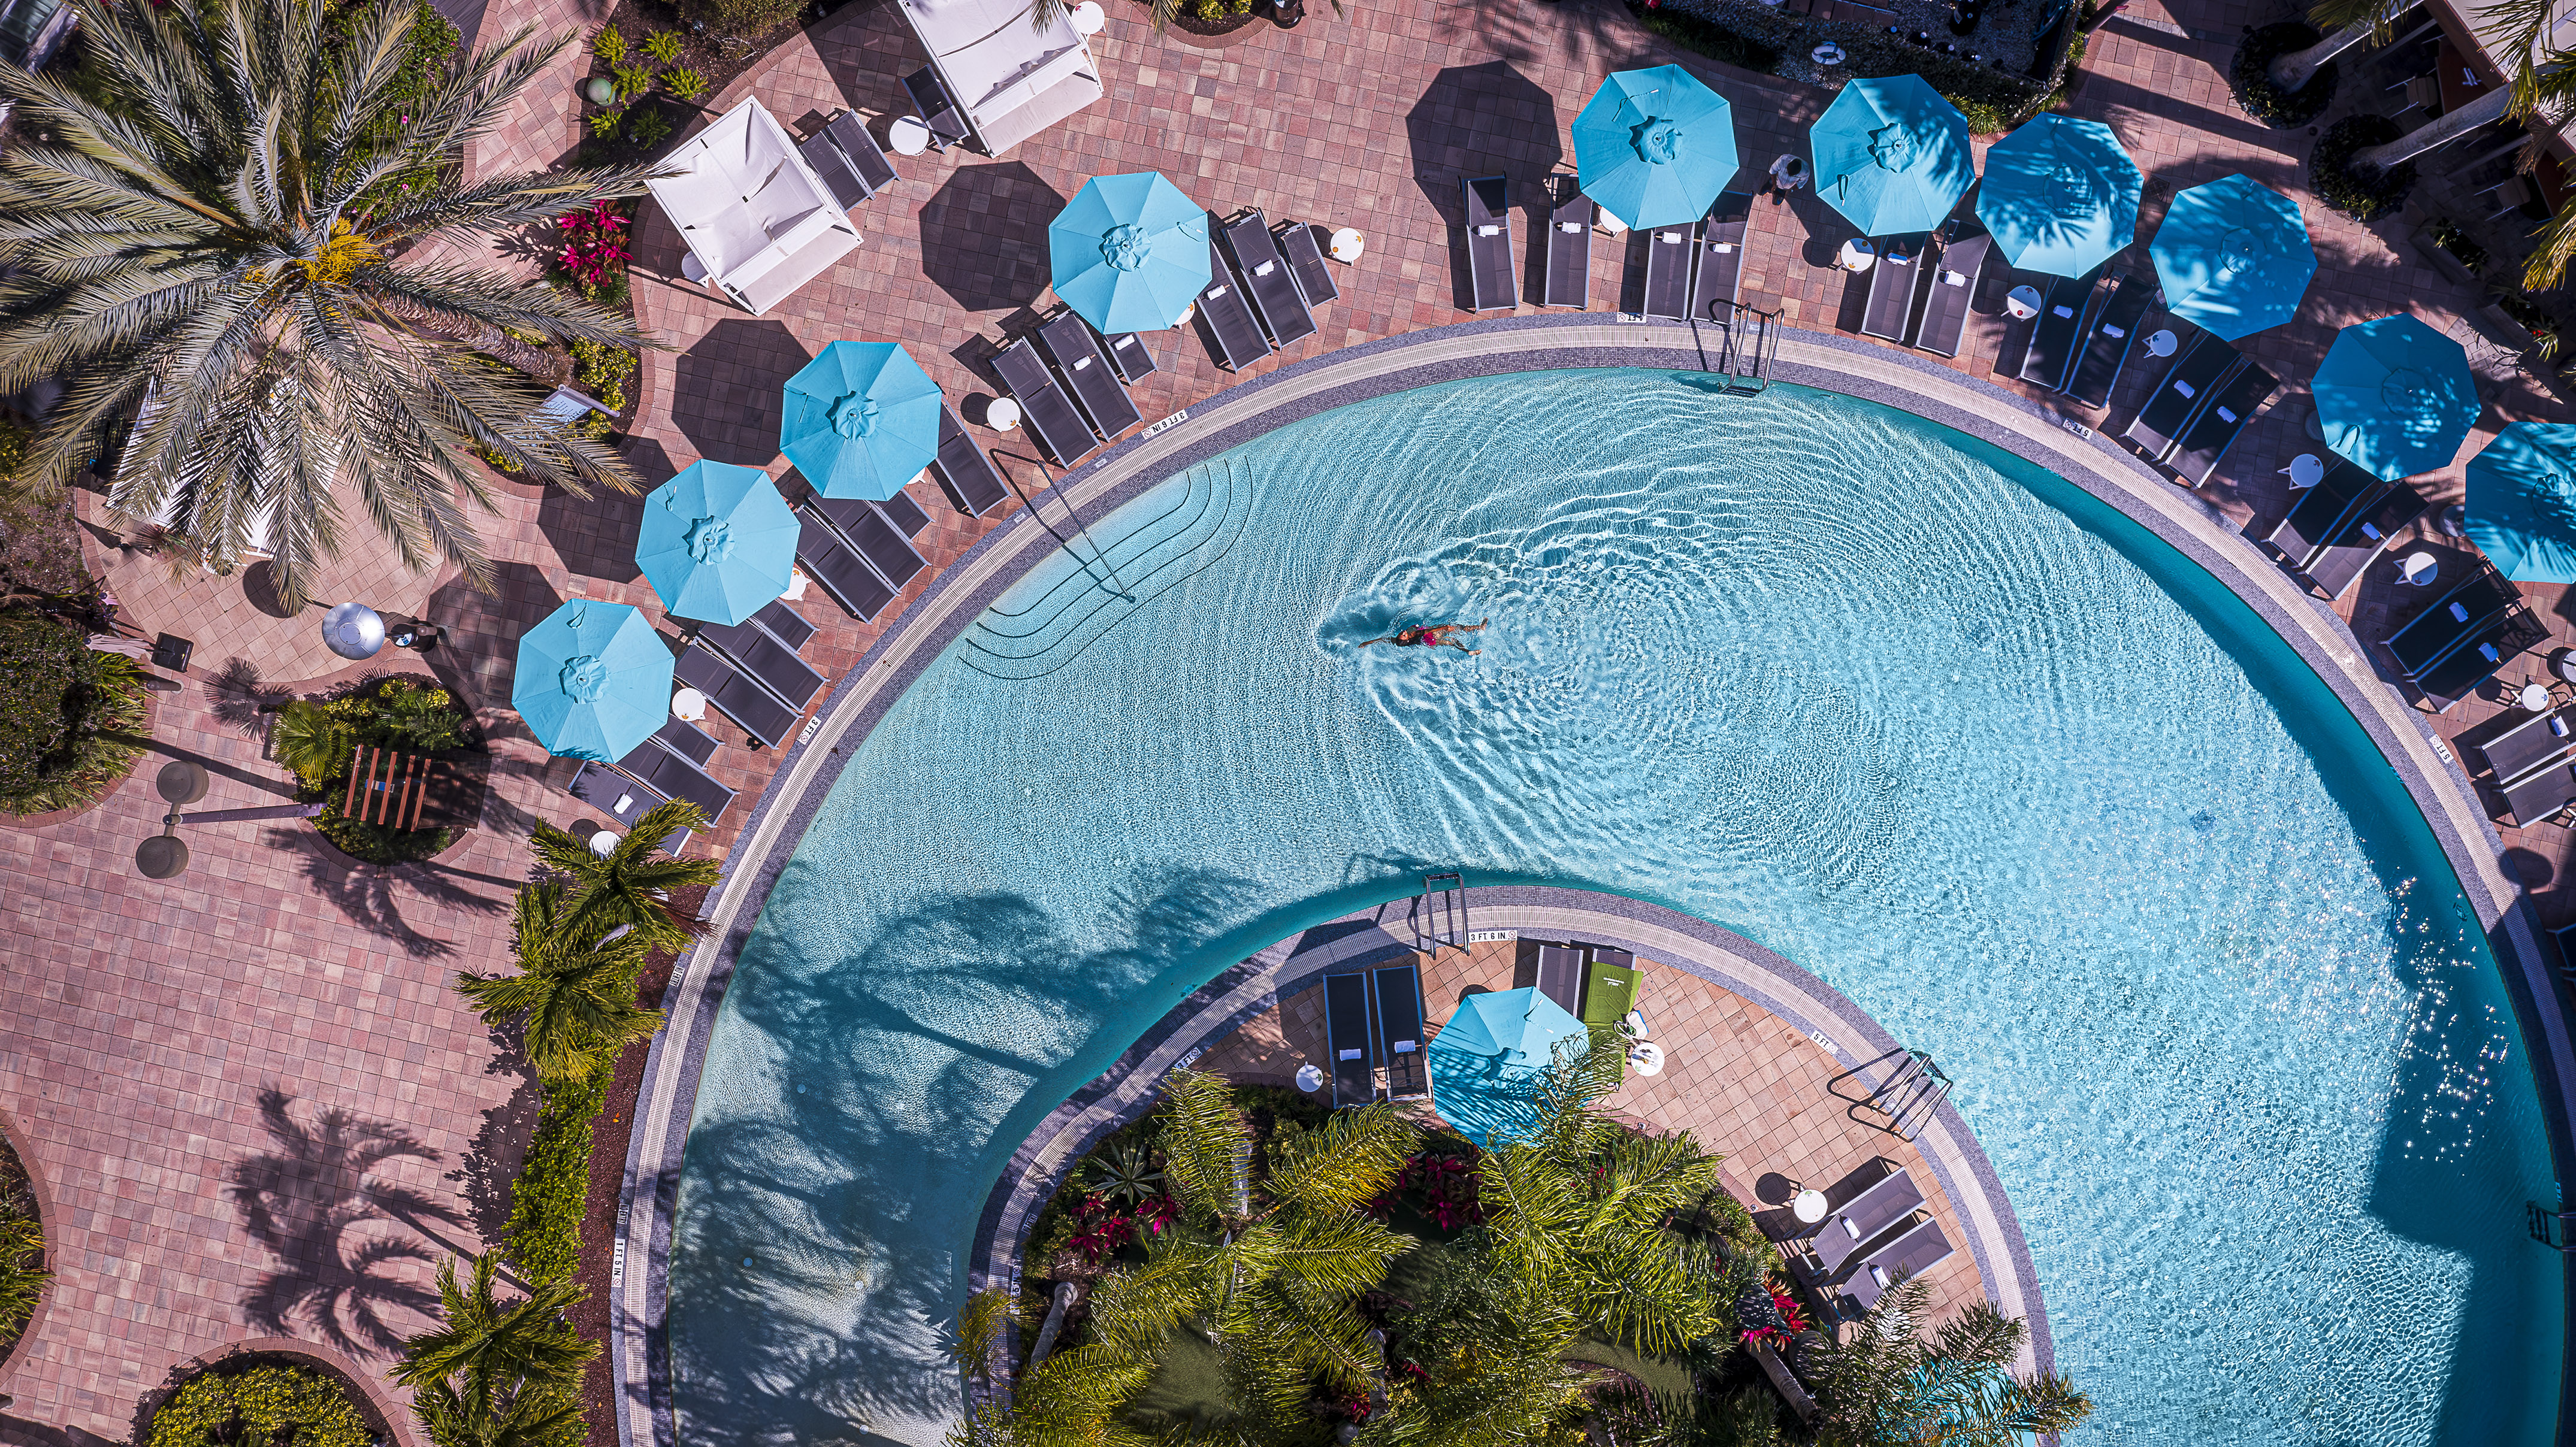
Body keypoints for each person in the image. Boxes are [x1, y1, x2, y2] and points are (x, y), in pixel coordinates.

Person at [1357, 619, 1486, 655]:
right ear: (1408, 639)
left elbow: (1382, 640)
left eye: (1401, 634)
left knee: (1451, 642)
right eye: (1404, 635)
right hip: (1431, 635)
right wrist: (1445, 628)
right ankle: (1480, 627)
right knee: (1457, 627)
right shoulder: (1414, 634)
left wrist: (1366, 643)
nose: (1403, 633)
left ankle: (1467, 651)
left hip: (1430, 643)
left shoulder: (1397, 641)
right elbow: (1430, 630)